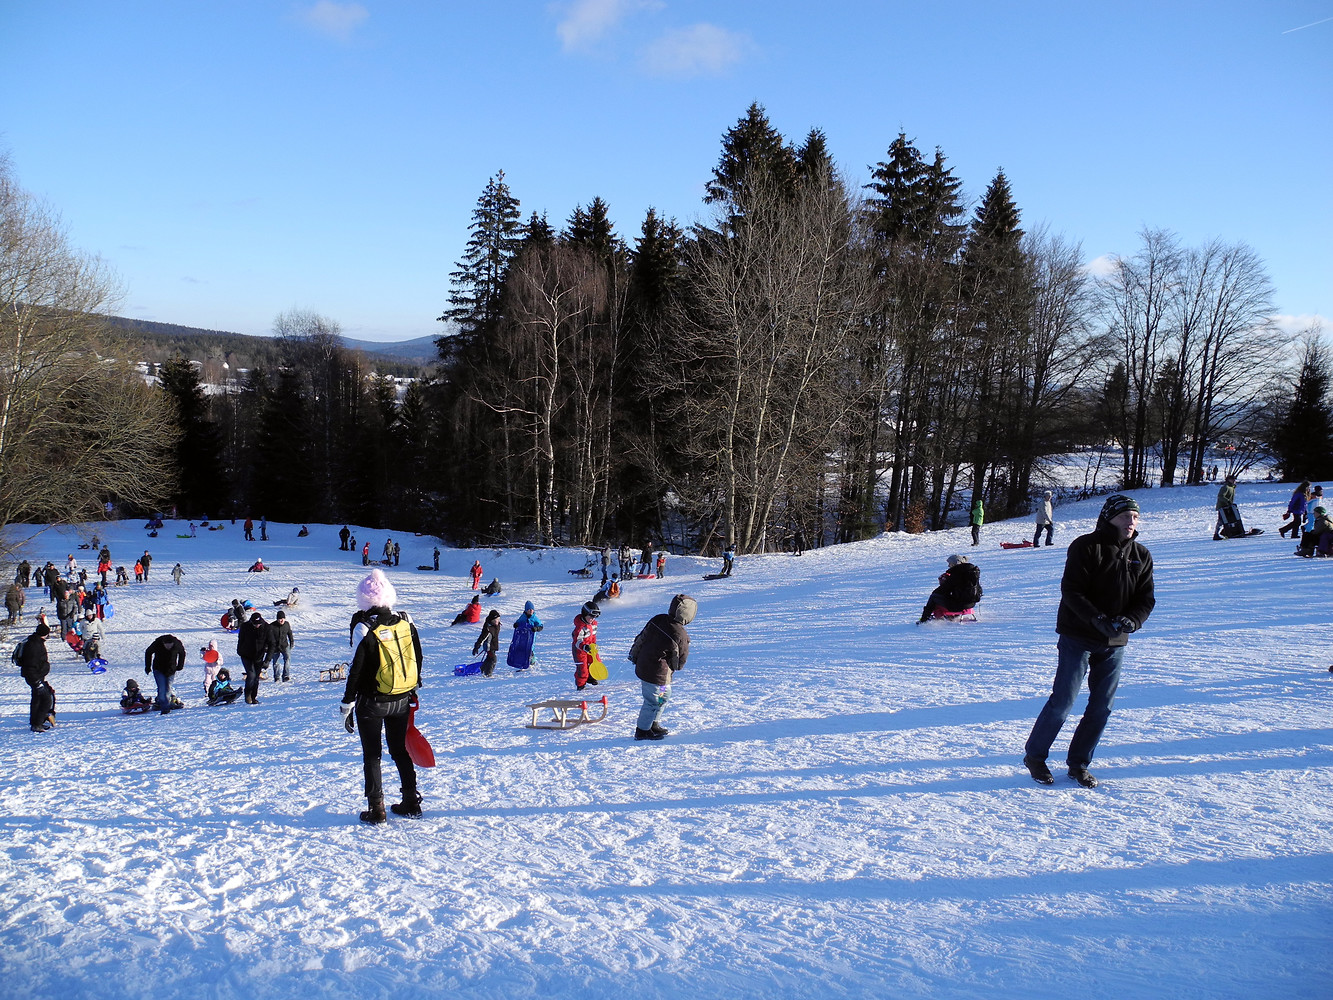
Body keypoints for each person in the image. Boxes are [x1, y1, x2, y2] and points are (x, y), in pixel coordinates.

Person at [1023, 493, 1156, 788]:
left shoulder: (1141, 555)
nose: (1131, 522)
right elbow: (1072, 591)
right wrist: (1096, 619)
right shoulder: (1086, 546)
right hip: (1078, 636)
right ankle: (1035, 757)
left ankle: (1078, 763)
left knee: (1101, 707)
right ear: (1109, 518)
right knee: (1063, 701)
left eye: (1135, 517)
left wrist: (1132, 620)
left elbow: (1146, 598)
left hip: (1115, 642)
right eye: (1124, 517)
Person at [339, 568, 424, 824]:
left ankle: (377, 809)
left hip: (372, 702)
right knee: (399, 750)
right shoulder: (406, 620)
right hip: (401, 698)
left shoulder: (365, 627)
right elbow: (417, 657)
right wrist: (412, 687)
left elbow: (357, 669)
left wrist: (347, 703)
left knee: (372, 754)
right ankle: (411, 801)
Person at [629, 593, 696, 741]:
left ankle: (653, 723)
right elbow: (681, 660)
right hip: (655, 674)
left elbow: (641, 637)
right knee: (653, 700)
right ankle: (642, 730)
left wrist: (634, 654)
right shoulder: (680, 633)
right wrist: (675, 665)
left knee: (663, 696)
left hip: (657, 673)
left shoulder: (658, 618)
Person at [917, 555, 983, 622]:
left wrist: (943, 582)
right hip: (971, 604)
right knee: (949, 597)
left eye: (950, 563)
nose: (948, 566)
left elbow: (943, 590)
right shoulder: (972, 573)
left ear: (956, 563)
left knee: (934, 597)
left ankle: (924, 620)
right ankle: (951, 616)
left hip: (960, 605)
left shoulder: (957, 574)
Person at [17, 622, 56, 733]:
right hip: (34, 677)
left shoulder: (35, 641)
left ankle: (35, 722)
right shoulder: (34, 645)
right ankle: (37, 724)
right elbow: (30, 665)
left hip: (37, 676)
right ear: (44, 634)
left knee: (37, 699)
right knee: (46, 699)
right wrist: (36, 681)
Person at [143, 633, 187, 714]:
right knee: (162, 689)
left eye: (170, 645)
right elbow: (148, 652)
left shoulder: (177, 644)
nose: (168, 647)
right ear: (163, 643)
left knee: (168, 689)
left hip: (171, 670)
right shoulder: (157, 643)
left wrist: (180, 666)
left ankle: (166, 706)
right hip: (158, 669)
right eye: (166, 645)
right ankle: (165, 709)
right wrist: (147, 666)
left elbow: (182, 653)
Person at [236, 612, 271, 704]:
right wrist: (239, 651)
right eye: (255, 624)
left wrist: (267, 659)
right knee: (251, 675)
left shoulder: (266, 627)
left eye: (259, 624)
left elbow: (272, 644)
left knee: (256, 678)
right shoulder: (245, 626)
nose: (257, 626)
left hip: (259, 657)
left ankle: (253, 697)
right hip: (246, 655)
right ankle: (247, 696)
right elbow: (241, 639)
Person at [571, 600, 600, 691]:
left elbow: (593, 636)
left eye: (594, 617)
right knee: (582, 668)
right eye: (590, 617)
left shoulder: (593, 625)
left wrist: (593, 645)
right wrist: (584, 647)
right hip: (579, 650)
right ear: (584, 614)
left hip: (590, 648)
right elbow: (577, 641)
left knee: (596, 662)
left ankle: (591, 677)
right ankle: (581, 684)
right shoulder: (580, 628)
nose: (592, 619)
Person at [508, 601, 544, 670]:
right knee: (522, 649)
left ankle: (532, 662)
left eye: (532, 609)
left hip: (531, 637)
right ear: (526, 610)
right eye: (528, 609)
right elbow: (518, 622)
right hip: (522, 637)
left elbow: (541, 626)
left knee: (530, 649)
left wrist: (536, 628)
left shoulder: (534, 618)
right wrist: (516, 625)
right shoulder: (523, 617)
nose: (530, 611)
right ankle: (522, 663)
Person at [472, 609, 502, 677]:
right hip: (489, 647)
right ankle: (488, 674)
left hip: (494, 645)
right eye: (495, 620)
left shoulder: (497, 625)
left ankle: (482, 669)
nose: (497, 621)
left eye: (498, 619)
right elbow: (482, 638)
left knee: (489, 658)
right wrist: (476, 647)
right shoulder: (488, 628)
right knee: (493, 659)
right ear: (491, 620)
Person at [267, 610, 295, 682]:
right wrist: (267, 647)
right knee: (276, 662)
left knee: (287, 658)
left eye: (283, 618)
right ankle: (277, 677)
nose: (281, 620)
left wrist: (292, 642)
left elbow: (290, 634)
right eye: (280, 619)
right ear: (277, 619)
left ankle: (286, 675)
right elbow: (268, 638)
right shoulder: (271, 626)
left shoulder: (287, 624)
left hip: (284, 645)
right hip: (275, 647)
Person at [1212, 474, 1237, 540]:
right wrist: (1228, 502)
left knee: (1229, 520)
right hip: (1223, 507)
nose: (1234, 480)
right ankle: (1216, 534)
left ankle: (1225, 532)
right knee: (1221, 521)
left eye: (1234, 479)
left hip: (1228, 507)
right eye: (1232, 479)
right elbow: (1221, 496)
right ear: (1228, 480)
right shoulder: (1225, 487)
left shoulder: (1232, 487)